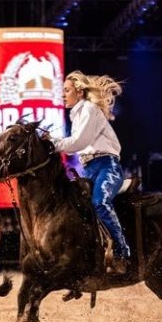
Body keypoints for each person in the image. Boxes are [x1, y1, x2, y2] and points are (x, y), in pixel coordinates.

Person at [52, 70, 131, 275]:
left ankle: (123, 252)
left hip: (107, 166)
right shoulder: (77, 112)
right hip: (88, 168)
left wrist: (53, 143)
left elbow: (79, 142)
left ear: (79, 92)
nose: (63, 94)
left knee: (100, 203)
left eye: (67, 90)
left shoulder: (88, 108)